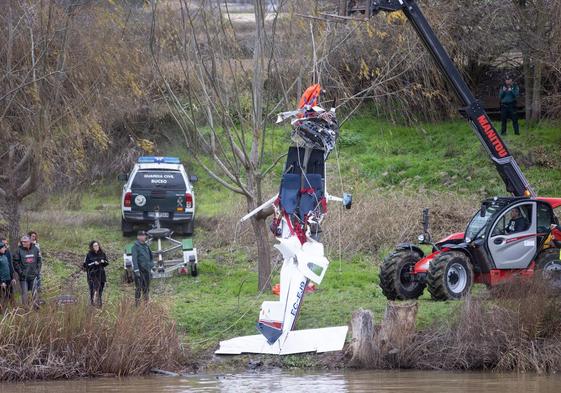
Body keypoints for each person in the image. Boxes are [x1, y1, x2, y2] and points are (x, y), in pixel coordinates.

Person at [12, 235, 42, 306]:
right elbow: (15, 263)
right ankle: (26, 309)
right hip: (24, 277)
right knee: (24, 293)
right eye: (22, 242)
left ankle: (36, 307)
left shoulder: (35, 249)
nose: (23, 243)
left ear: (29, 241)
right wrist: (21, 272)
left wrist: (37, 271)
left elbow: (39, 261)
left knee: (35, 293)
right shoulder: (18, 250)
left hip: (33, 275)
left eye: (25, 242)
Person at [83, 240, 109, 307]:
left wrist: (103, 262)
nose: (96, 247)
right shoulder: (89, 255)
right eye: (95, 245)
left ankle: (99, 305)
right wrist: (94, 263)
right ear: (92, 247)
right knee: (94, 290)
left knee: (100, 290)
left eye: (97, 245)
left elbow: (107, 262)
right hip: (92, 275)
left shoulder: (102, 253)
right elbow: (85, 265)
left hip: (101, 274)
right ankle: (92, 305)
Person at [131, 230, 153, 306]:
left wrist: (151, 266)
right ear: (138, 237)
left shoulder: (146, 246)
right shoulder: (135, 247)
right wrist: (136, 270)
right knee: (138, 288)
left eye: (144, 235)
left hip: (147, 270)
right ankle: (137, 304)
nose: (144, 237)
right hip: (139, 271)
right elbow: (134, 259)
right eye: (142, 235)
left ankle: (146, 304)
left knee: (146, 287)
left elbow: (151, 257)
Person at [0, 242, 15, 306]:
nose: (5, 249)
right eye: (3, 248)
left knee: (10, 295)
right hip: (2, 281)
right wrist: (1, 282)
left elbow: (9, 268)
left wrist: (12, 278)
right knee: (2, 297)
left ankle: (11, 310)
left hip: (8, 279)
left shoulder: (5, 256)